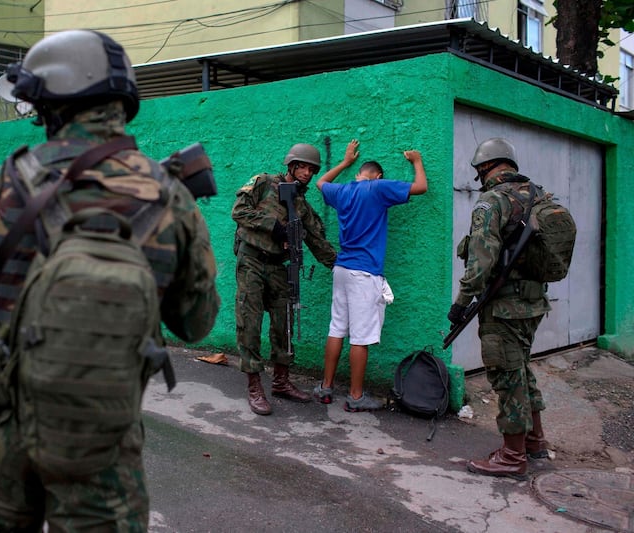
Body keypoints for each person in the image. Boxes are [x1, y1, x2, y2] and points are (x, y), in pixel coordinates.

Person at [0, 30, 220, 531]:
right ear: (120, 103)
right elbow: (196, 323)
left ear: (50, 102)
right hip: (101, 440)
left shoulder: (5, 182)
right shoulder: (170, 195)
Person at [448, 137, 551, 481]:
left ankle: (512, 456)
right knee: (521, 369)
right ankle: (534, 441)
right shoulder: (537, 195)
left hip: (504, 307)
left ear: (484, 168)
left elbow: (480, 262)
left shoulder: (492, 202)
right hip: (533, 303)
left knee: (507, 376)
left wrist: (461, 304)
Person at [313, 140, 428, 411]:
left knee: (336, 329)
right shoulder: (378, 187)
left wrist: (345, 162)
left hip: (341, 269)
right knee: (361, 337)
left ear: (359, 173)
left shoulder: (342, 191)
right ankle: (355, 397)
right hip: (364, 273)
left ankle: (325, 387)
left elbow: (320, 183)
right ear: (378, 175)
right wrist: (417, 161)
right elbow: (421, 187)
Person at [231, 142, 337, 415]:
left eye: (312, 169)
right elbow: (239, 212)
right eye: (303, 167)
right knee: (250, 323)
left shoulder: (301, 206)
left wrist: (342, 266)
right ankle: (254, 385)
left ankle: (281, 381)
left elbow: (317, 241)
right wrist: (273, 227)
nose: (307, 173)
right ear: (291, 165)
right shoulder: (263, 183)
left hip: (279, 266)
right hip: (252, 261)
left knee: (284, 324)